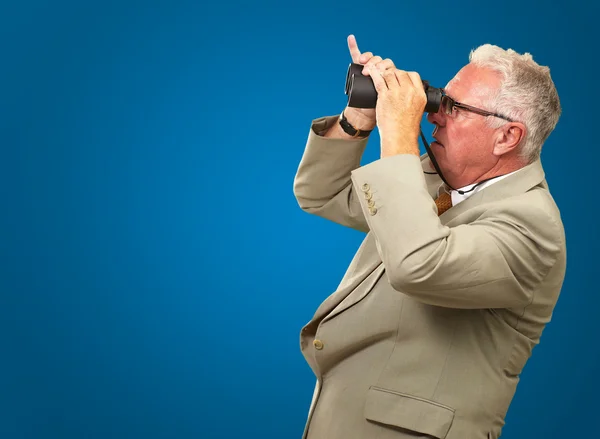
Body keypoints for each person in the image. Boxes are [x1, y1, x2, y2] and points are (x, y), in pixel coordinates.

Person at [292, 34, 566, 439]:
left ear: (507, 136)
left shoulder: (533, 225)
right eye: (442, 99)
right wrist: (359, 120)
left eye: (456, 108)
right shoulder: (438, 177)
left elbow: (417, 265)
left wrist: (398, 134)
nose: (434, 114)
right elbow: (322, 194)